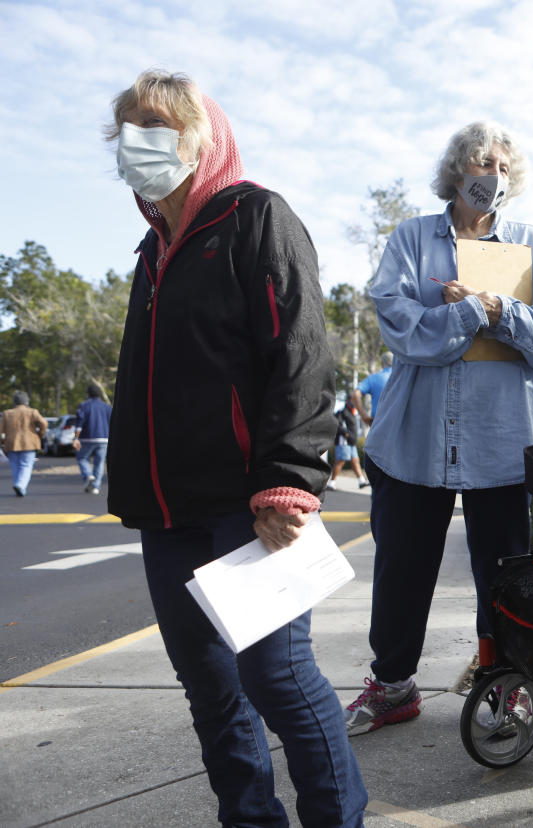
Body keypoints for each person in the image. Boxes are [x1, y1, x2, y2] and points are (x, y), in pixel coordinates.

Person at [105, 70, 365, 826]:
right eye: (127, 130)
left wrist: (286, 482)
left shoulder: (259, 219)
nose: (137, 144)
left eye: (156, 127)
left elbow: (302, 357)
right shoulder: (150, 256)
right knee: (210, 691)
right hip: (168, 512)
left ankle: (336, 816)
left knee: (276, 677)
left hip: (250, 509)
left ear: (200, 137)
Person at [346, 122, 533, 736]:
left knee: (503, 576)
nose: (491, 177)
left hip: (500, 444)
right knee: (402, 568)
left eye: (502, 167)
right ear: (455, 171)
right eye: (480, 163)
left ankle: (506, 687)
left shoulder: (529, 246)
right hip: (413, 445)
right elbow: (400, 326)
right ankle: (393, 686)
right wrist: (469, 313)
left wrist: (496, 309)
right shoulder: (411, 239)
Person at [2, 391, 47, 497]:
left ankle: (18, 484)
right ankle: (20, 485)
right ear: (26, 401)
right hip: (29, 444)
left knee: (15, 466)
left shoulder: (7, 413)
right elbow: (44, 423)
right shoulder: (32, 412)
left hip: (12, 444)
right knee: (26, 465)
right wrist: (40, 434)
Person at [72, 383, 112, 494]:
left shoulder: (84, 406)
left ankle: (88, 475)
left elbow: (79, 424)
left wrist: (75, 438)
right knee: (99, 463)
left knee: (82, 458)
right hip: (104, 439)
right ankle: (95, 487)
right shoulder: (107, 407)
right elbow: (112, 423)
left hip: (87, 438)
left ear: (88, 394)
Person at [326, 394, 368, 490]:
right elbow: (338, 425)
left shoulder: (353, 413)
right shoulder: (342, 412)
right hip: (344, 442)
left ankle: (361, 481)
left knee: (355, 460)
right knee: (340, 461)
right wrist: (346, 435)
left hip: (351, 443)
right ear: (348, 401)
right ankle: (331, 483)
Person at [356, 351, 393, 426]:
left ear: (382, 363)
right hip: (402, 423)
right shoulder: (404, 378)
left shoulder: (373, 378)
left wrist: (364, 417)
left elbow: (355, 395)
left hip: (379, 423)